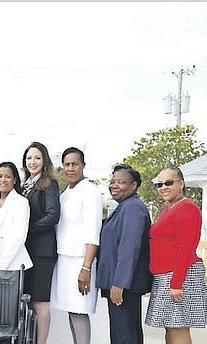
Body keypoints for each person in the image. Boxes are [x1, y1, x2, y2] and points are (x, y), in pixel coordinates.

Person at [145, 166, 207, 343]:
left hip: (180, 275)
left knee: (178, 328)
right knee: (171, 326)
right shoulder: (169, 208)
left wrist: (176, 283)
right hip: (167, 274)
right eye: (159, 184)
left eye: (169, 182)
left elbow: (186, 248)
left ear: (181, 184)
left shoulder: (186, 208)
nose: (163, 187)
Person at [50, 147, 102, 344]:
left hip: (81, 261)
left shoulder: (90, 191)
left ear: (83, 166)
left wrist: (86, 268)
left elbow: (93, 233)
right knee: (72, 310)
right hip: (64, 259)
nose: (70, 168)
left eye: (75, 164)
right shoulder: (67, 192)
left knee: (79, 310)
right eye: (67, 164)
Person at [96, 164, 152, 344]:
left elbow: (130, 248)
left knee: (124, 335)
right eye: (112, 182)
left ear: (133, 185)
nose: (114, 186)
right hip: (123, 283)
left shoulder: (132, 208)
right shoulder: (124, 207)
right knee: (127, 332)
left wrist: (119, 283)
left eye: (121, 182)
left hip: (124, 285)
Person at [21, 142, 61, 344]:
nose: (33, 162)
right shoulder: (24, 185)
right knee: (28, 302)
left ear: (44, 160)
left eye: (37, 157)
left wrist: (28, 230)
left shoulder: (49, 183)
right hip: (26, 251)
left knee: (40, 303)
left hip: (42, 251)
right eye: (29, 158)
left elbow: (53, 216)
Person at [0, 161, 33, 271]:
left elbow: (18, 238)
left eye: (7, 177)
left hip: (13, 265)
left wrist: (1, 266)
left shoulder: (20, 202)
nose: (2, 180)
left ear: (14, 180)